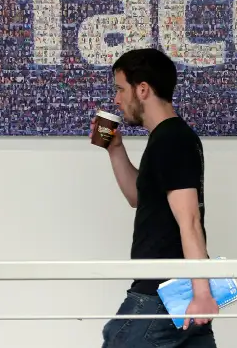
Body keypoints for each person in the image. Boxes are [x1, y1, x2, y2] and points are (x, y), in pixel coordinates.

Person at [91, 47, 219, 348]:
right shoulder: (166, 139)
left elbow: (189, 220)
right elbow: (139, 197)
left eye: (121, 89)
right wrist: (115, 149)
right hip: (177, 294)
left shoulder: (172, 140)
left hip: (160, 293)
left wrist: (202, 293)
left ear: (143, 89)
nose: (117, 99)